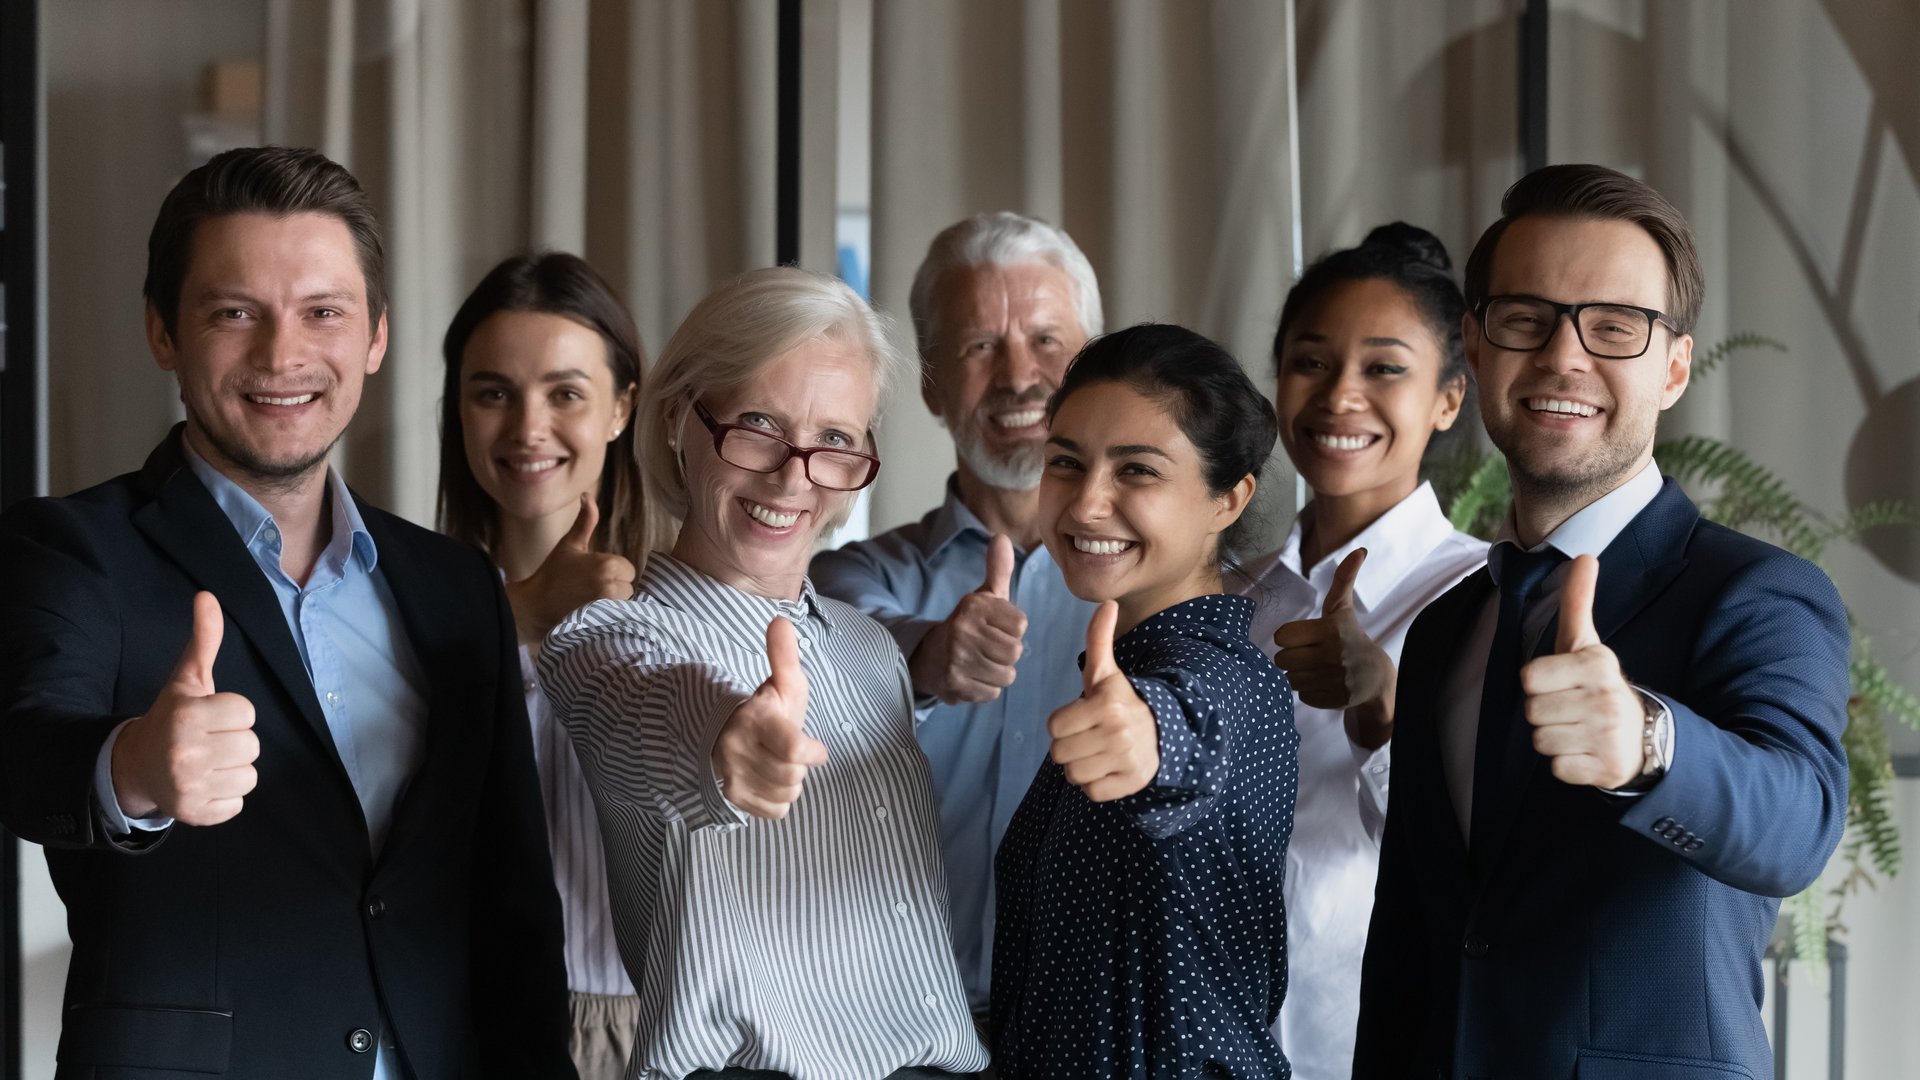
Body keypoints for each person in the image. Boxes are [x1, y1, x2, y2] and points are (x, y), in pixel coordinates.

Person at [0, 147, 573, 1078]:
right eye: (235, 313)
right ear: (162, 332)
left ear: (376, 337)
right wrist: (133, 766)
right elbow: (23, 748)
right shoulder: (75, 550)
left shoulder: (456, 585)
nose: (282, 356)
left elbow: (512, 907)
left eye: (323, 313)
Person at [1353, 164, 1850, 1079]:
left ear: (1674, 367)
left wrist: (1647, 744)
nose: (1563, 356)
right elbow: (1410, 944)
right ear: (1475, 346)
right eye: (1525, 318)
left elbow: (1799, 822)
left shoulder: (1757, 592)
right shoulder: (1446, 626)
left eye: (1614, 327)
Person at [538, 266, 989, 1079]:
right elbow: (650, 711)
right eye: (757, 424)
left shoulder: (867, 648)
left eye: (835, 441)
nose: (792, 476)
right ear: (678, 416)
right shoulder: (606, 639)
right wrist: (724, 743)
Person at [992, 324, 1298, 1079]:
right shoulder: (1132, 664)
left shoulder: (1222, 678)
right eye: (1066, 462)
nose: (1087, 503)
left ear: (1228, 499)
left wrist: (1149, 740)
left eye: (1137, 470)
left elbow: (1187, 729)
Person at [812, 212, 1099, 1011]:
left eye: (1047, 340)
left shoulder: (1159, 594)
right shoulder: (850, 577)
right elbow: (848, 647)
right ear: (932, 384)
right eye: (979, 346)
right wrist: (929, 659)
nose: (1018, 376)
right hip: (891, 1028)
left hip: (1093, 1032)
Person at [1236, 223, 1487, 1080]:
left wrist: (1383, 708)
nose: (1341, 394)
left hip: (1371, 1040)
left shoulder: (1484, 598)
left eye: (1384, 369)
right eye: (1311, 361)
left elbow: (1480, 856)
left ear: (1448, 399)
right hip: (1211, 1036)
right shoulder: (1229, 598)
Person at [437, 252, 649, 1080]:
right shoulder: (403, 607)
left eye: (565, 393)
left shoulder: (686, 608)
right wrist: (518, 620)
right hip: (467, 1019)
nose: (528, 428)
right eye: (494, 393)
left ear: (621, 407)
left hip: (663, 1025)